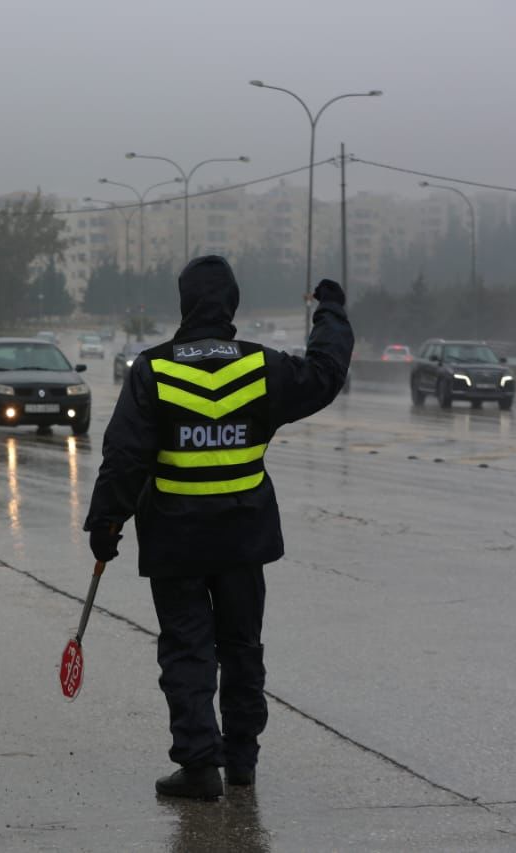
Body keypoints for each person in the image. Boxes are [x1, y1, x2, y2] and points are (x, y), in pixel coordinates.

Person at [84, 255, 353, 800]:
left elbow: (125, 456)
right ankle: (242, 761)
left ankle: (200, 766)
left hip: (175, 542)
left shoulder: (154, 370)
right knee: (241, 648)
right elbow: (325, 373)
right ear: (232, 303)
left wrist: (107, 521)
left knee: (188, 652)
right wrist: (331, 312)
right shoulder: (262, 367)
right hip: (242, 540)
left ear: (184, 303)